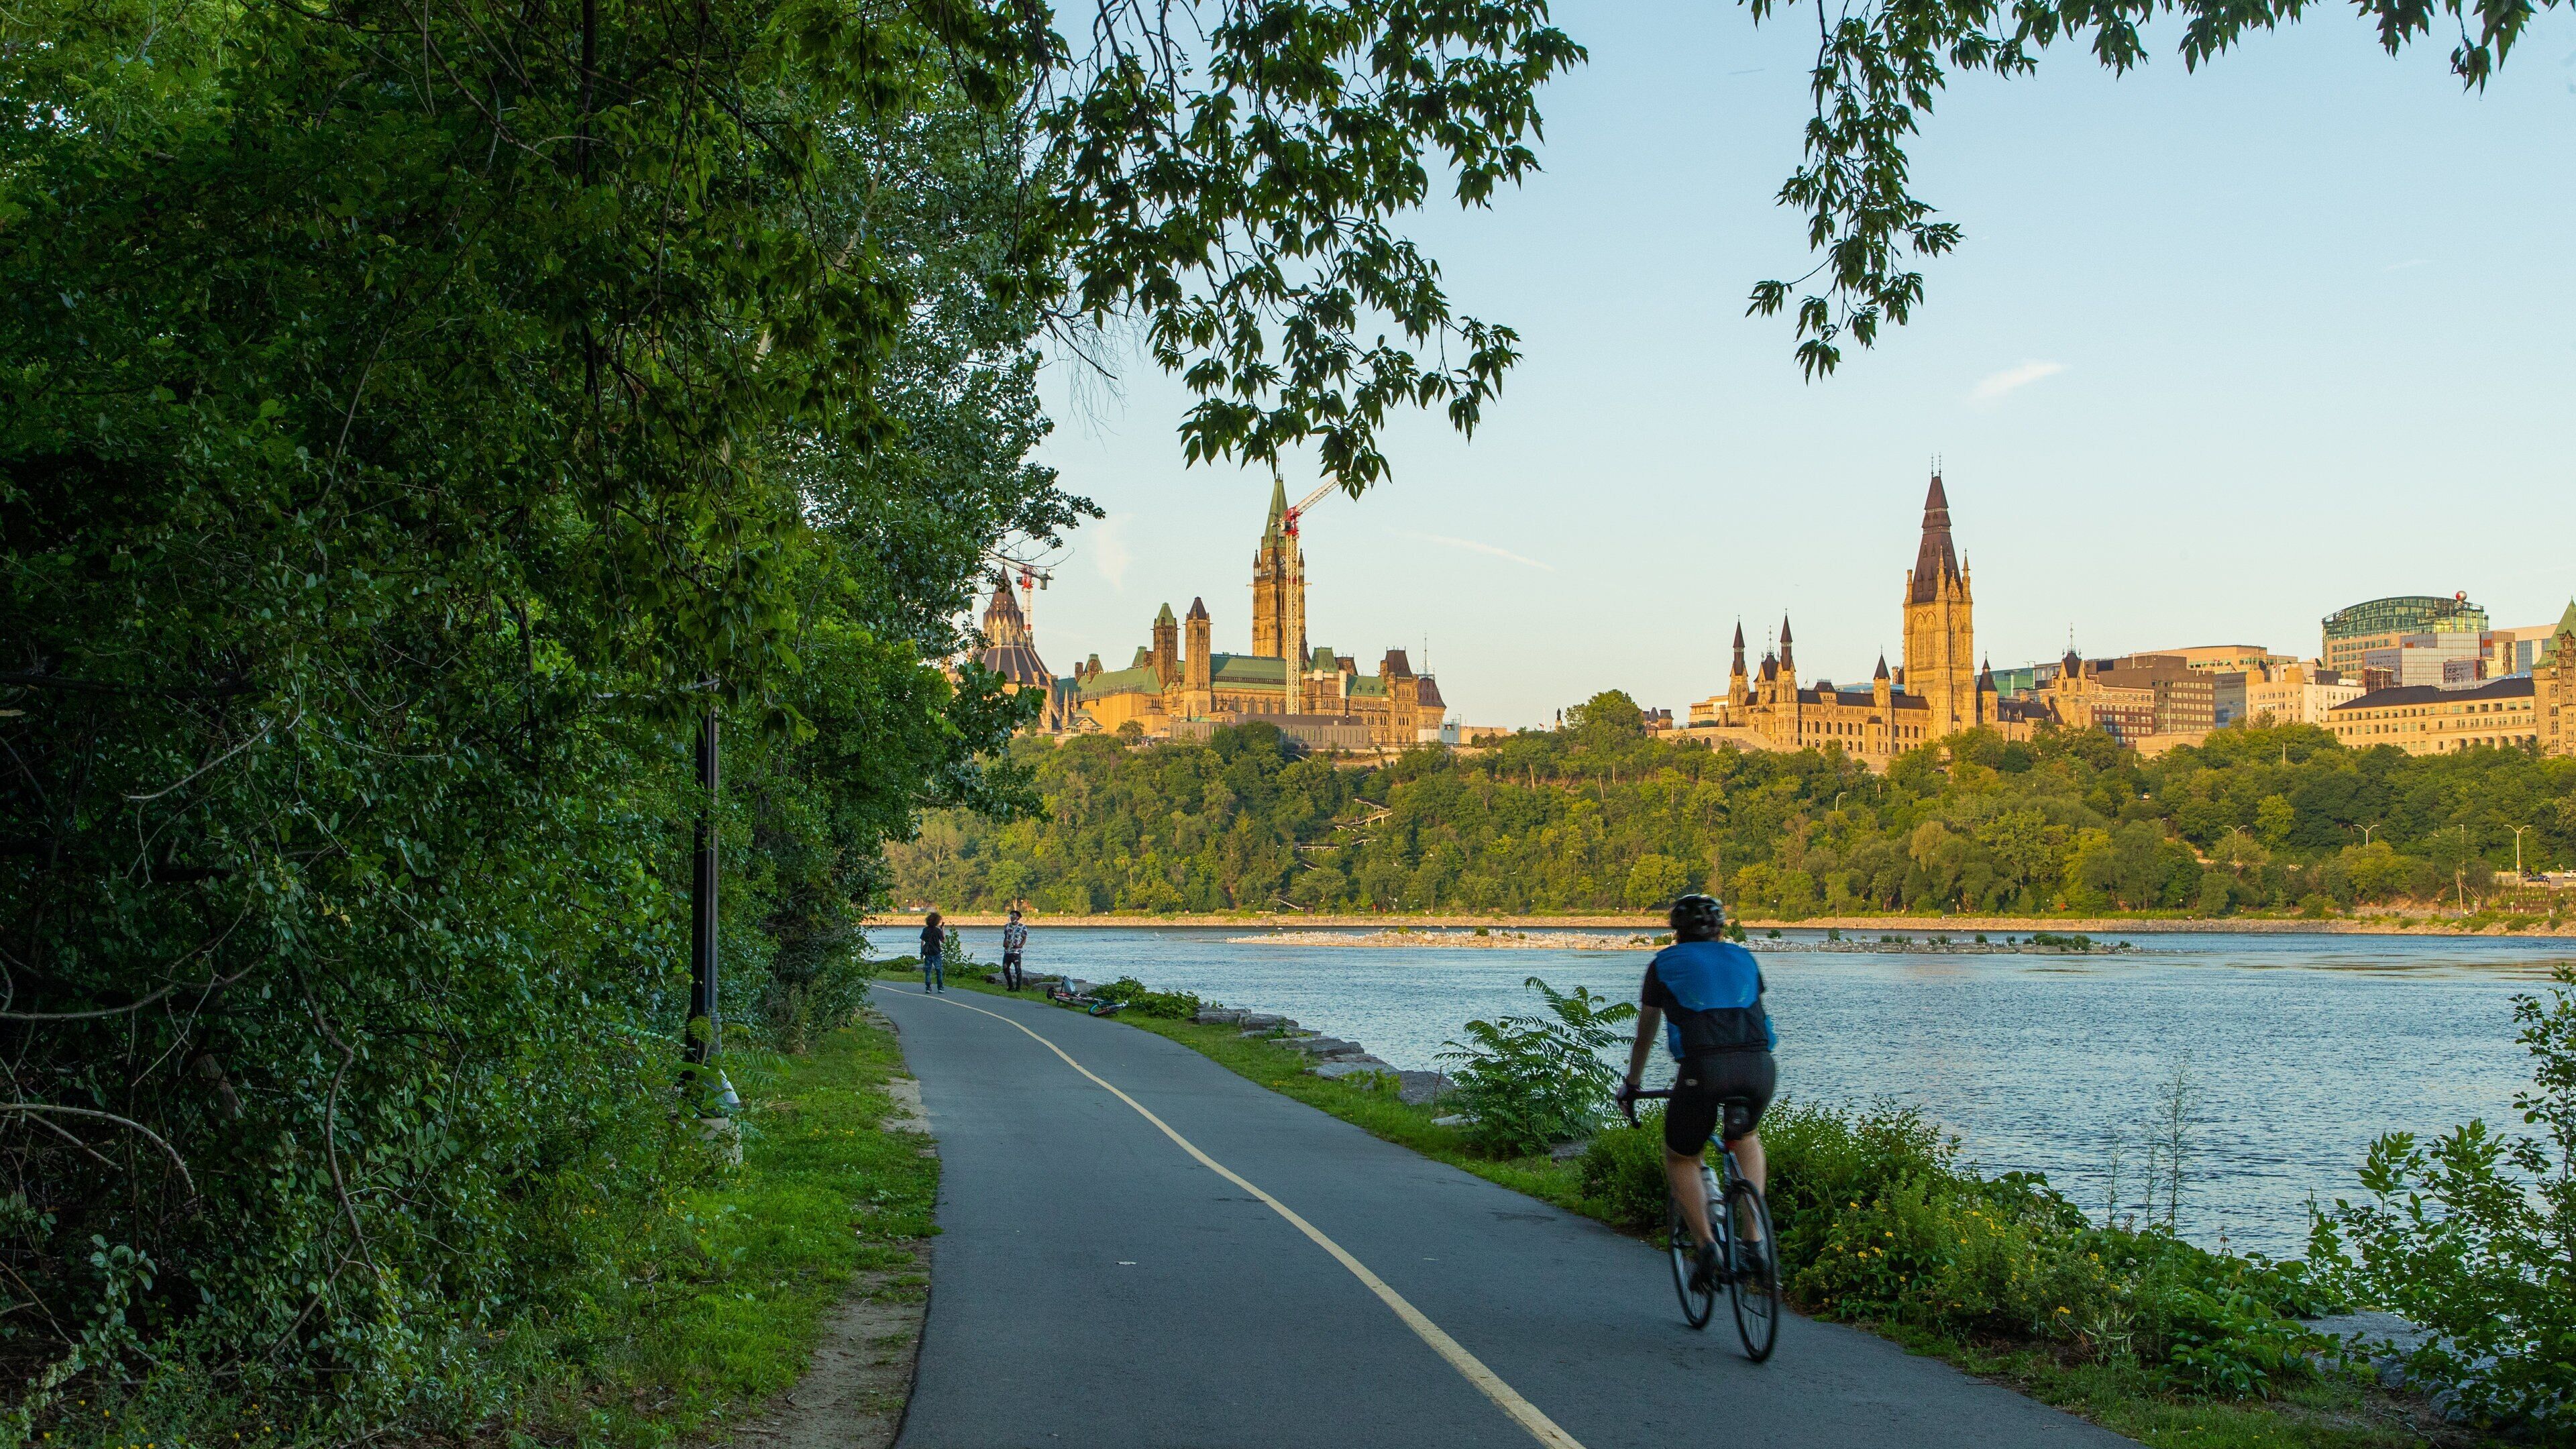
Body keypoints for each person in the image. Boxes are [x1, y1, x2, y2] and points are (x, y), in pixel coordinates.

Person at [1617, 894, 1776, 1291]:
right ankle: (1754, 1242)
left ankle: (1707, 1248)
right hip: (1758, 1067)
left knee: (1682, 1156)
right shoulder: (1744, 959)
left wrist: (1633, 1084)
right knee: (1746, 1137)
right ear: (1722, 928)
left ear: (1676, 930)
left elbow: (1645, 1036)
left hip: (1703, 1070)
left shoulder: (1662, 965)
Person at [1000, 906, 1029, 991]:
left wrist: (1020, 945)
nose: (1012, 917)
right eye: (1011, 915)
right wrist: (1004, 942)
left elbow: (1024, 938)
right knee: (1005, 969)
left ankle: (1018, 988)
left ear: (1018, 917)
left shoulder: (1023, 927)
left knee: (1018, 970)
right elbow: (1006, 936)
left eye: (1014, 916)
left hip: (1016, 952)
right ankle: (1010, 986)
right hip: (1007, 952)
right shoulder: (1007, 926)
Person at [918, 910, 946, 994]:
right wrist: (943, 930)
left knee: (928, 970)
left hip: (928, 952)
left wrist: (922, 952)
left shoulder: (925, 930)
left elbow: (922, 942)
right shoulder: (938, 930)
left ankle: (928, 987)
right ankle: (940, 987)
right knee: (939, 970)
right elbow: (943, 940)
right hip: (936, 952)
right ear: (937, 921)